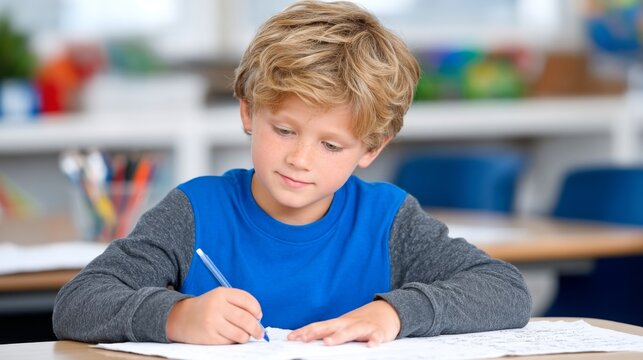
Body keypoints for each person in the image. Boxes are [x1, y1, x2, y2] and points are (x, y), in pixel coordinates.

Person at [53, 0, 531, 347]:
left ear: (370, 148)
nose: (300, 159)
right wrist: (177, 316)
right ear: (247, 112)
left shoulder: (388, 220)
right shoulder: (196, 211)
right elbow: (77, 303)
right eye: (283, 130)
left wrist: (395, 312)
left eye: (330, 144)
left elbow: (506, 291)